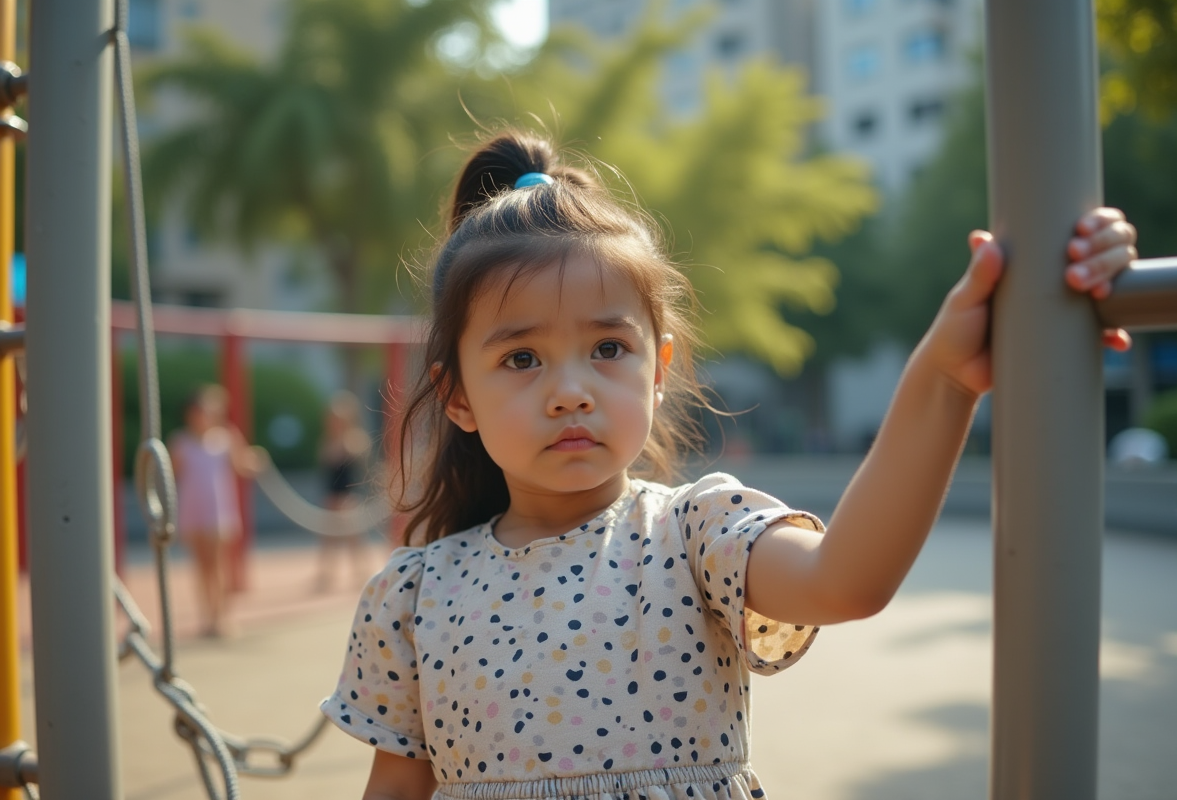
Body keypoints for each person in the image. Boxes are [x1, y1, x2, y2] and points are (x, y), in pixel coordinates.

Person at [321, 131, 1138, 800]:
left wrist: (947, 377)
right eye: (522, 358)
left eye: (608, 348)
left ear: (658, 367)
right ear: (456, 396)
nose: (571, 392)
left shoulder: (691, 534)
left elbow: (845, 579)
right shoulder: (416, 596)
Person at [169, 383, 264, 638]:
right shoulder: (181, 442)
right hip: (193, 510)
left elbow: (242, 466)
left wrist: (255, 460)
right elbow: (171, 477)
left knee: (218, 565)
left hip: (217, 511)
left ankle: (221, 616)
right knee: (201, 567)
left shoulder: (225, 438)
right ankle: (206, 617)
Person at [315, 389, 374, 591]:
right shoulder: (327, 441)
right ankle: (326, 574)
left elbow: (359, 460)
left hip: (349, 496)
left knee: (354, 538)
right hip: (332, 495)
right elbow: (326, 462)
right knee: (328, 537)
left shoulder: (355, 439)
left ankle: (361, 572)